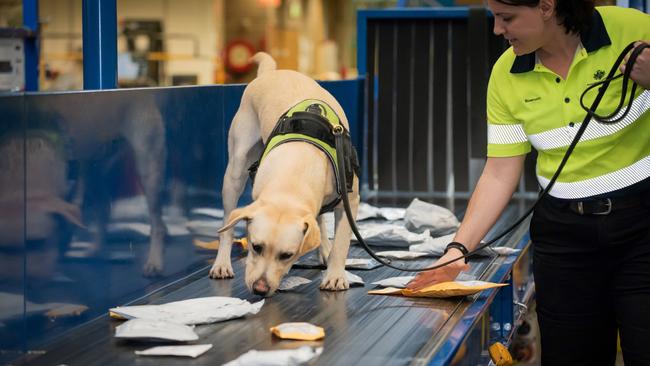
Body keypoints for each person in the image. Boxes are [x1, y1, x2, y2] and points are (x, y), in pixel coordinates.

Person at [406, 0, 650, 364]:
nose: (497, 30)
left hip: (643, 226)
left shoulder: (632, 28)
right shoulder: (506, 73)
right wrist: (457, 250)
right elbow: (500, 172)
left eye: (507, 18)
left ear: (547, 6)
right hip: (565, 240)